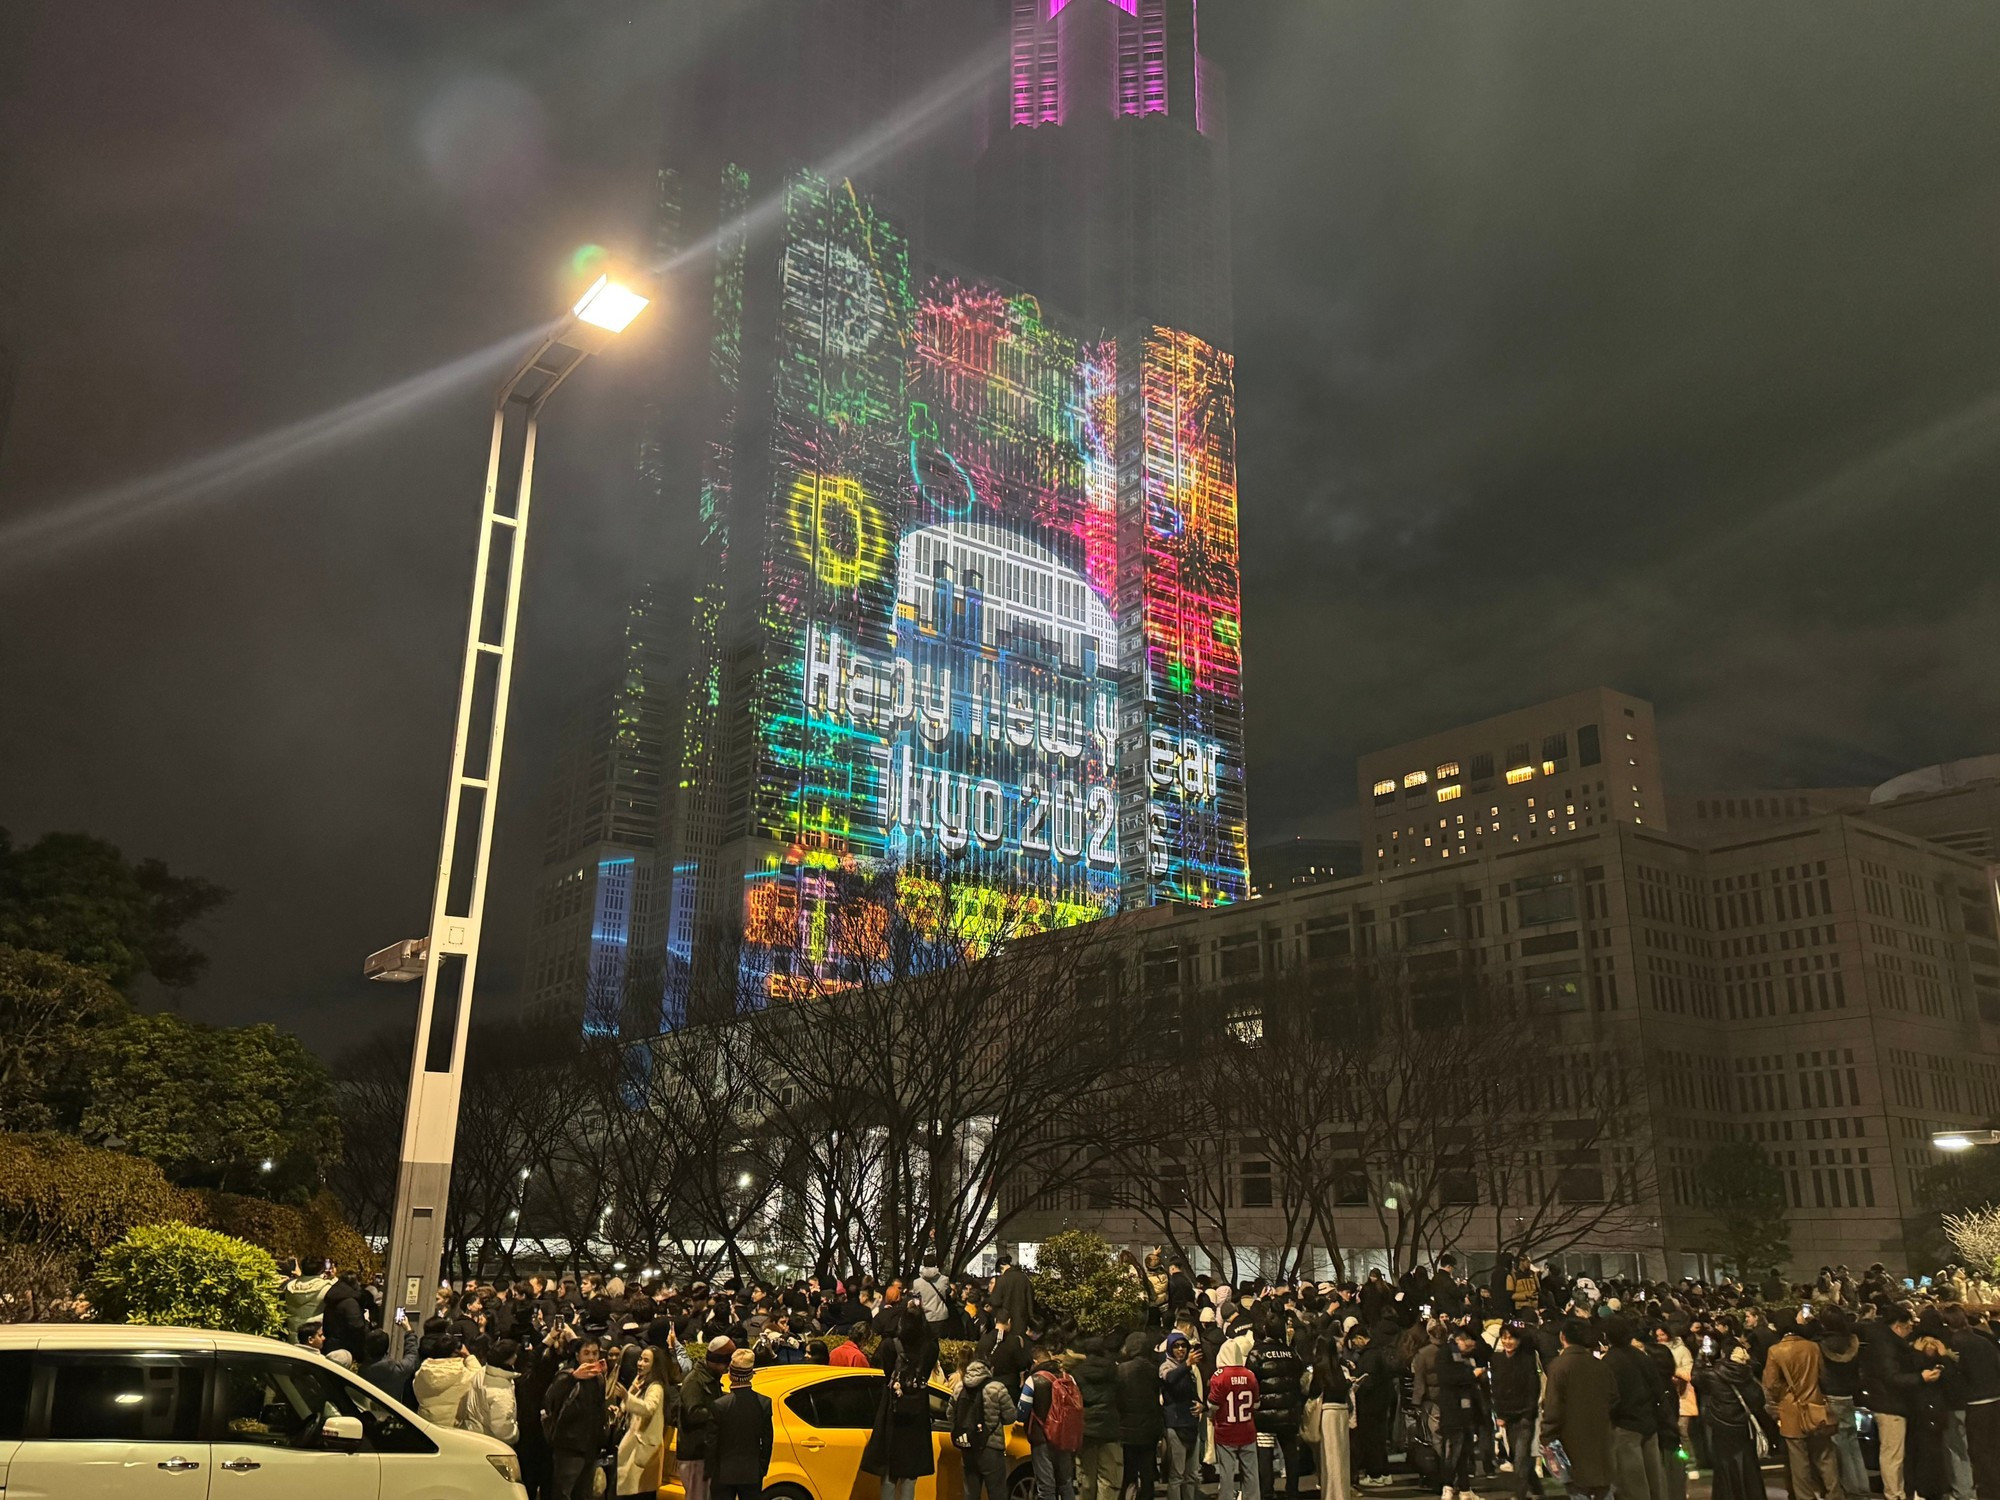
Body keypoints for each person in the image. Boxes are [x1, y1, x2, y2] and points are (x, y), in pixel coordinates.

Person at [1763, 1310, 1845, 1500]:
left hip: (1791, 1411)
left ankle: (1805, 1497)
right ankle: (1835, 1494)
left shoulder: (1775, 1351)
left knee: (1799, 1462)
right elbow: (1823, 1376)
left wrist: (1783, 1396)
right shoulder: (1813, 1347)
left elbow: (1771, 1384)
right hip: (1816, 1406)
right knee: (1825, 1457)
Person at [1542, 1319, 1616, 1500]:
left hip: (1571, 1437)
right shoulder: (1600, 1365)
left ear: (1562, 1337)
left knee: (1578, 1489)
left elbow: (1553, 1407)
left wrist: (1547, 1435)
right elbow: (1614, 1398)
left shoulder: (1559, 1366)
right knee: (1603, 1488)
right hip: (1601, 1435)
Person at [870, 1306, 939, 1500]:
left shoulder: (890, 1345)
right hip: (918, 1411)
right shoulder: (931, 1347)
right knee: (911, 1471)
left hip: (893, 1409)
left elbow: (887, 1373)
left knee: (889, 1470)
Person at [1695, 1345, 1772, 1500]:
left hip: (1721, 1425)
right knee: (1748, 1464)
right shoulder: (1746, 1375)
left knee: (1724, 1465)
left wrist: (1700, 1359)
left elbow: (1696, 1379)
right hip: (1743, 1426)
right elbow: (1758, 1400)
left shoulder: (1714, 1374)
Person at [1248, 1310, 1306, 1500]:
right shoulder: (1292, 1353)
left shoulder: (1256, 1353)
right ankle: (1293, 1492)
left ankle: (1267, 1493)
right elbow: (1300, 1377)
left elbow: (1250, 1382)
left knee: (1264, 1455)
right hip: (1289, 1412)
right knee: (1290, 1453)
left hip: (1264, 1415)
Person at [544, 1339, 611, 1500]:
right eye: (586, 1353)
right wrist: (573, 1377)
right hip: (569, 1447)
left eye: (595, 1353)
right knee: (563, 1493)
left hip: (590, 1448)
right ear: (577, 1356)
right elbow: (550, 1400)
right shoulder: (566, 1375)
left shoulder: (599, 1379)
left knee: (584, 1493)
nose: (591, 1358)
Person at [707, 1349, 774, 1500]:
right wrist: (762, 1468)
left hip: (723, 1472)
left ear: (730, 1374)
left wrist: (710, 1470)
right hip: (752, 1471)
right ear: (751, 1375)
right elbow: (768, 1440)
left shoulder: (719, 1405)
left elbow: (711, 1442)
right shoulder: (764, 1403)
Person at [1948, 1307, 2000, 1498]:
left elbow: (1958, 1378)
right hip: (1995, 1399)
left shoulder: (1955, 1345)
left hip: (1975, 1403)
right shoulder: (1983, 1340)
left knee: (1979, 1452)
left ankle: (1987, 1491)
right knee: (1994, 1449)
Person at [1818, 1307, 1869, 1500]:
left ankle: (1850, 1488)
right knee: (1852, 1442)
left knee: (1838, 1445)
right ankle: (1862, 1486)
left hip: (1831, 1396)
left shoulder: (1821, 1345)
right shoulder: (1852, 1342)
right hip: (1849, 1396)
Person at [1022, 1343, 1084, 1500]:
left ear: (1035, 1361)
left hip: (1042, 1439)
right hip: (1065, 1437)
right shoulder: (1068, 1378)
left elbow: (1021, 1413)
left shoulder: (1033, 1380)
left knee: (1046, 1487)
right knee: (1065, 1483)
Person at [1436, 1325, 1488, 1500]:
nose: (1471, 1349)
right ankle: (1448, 1486)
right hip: (1452, 1409)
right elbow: (1447, 1378)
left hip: (1467, 1410)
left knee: (1464, 1451)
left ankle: (1465, 1489)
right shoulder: (1446, 1354)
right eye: (1470, 1345)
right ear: (1461, 1340)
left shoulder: (1466, 1358)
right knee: (1453, 1450)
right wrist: (1472, 1375)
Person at [1209, 1334, 1263, 1500]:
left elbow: (1213, 1405)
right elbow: (1256, 1404)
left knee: (1227, 1473)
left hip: (1226, 1431)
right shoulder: (1250, 1375)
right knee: (1251, 1473)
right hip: (1247, 1430)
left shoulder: (1219, 1376)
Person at [613, 1346, 671, 1500]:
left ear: (655, 1365)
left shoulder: (656, 1387)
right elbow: (630, 1407)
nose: (640, 1363)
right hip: (633, 1446)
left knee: (640, 1493)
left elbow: (648, 1408)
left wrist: (627, 1397)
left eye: (646, 1360)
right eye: (640, 1359)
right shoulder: (639, 1382)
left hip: (643, 1450)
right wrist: (621, 1408)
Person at [956, 1352, 1016, 1500]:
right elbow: (1010, 1416)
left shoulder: (959, 1387)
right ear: (990, 1369)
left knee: (970, 1493)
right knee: (997, 1493)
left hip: (968, 1446)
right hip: (991, 1448)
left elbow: (951, 1415)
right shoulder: (997, 1388)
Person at [679, 1337, 733, 1500]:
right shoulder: (694, 1381)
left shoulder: (711, 1379)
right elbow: (692, 1413)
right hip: (695, 1454)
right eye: (725, 1363)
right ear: (716, 1361)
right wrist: (720, 1412)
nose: (727, 1368)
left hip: (706, 1453)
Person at [1074, 1335, 1126, 1500]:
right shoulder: (1113, 1370)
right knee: (1108, 1477)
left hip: (1086, 1429)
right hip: (1109, 1427)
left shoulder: (1077, 1372)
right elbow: (1121, 1397)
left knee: (1087, 1477)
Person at [1117, 1331, 1165, 1500]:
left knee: (1128, 1473)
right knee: (1147, 1472)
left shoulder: (1121, 1370)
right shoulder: (1153, 1370)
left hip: (1126, 1429)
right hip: (1149, 1429)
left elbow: (1118, 1399)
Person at [1159, 1332, 1204, 1500]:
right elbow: (1170, 1379)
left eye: (1183, 1346)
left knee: (1192, 1475)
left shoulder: (1190, 1369)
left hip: (1191, 1424)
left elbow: (1192, 1392)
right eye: (1176, 1346)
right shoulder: (1166, 1366)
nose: (1180, 1349)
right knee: (1176, 1475)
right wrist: (1186, 1364)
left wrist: (1202, 1405)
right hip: (1175, 1425)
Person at [459, 1337, 522, 1447]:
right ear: (511, 1359)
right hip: (491, 1443)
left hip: (473, 1432)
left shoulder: (482, 1372)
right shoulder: (501, 1393)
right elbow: (502, 1430)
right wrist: (515, 1433)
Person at [413, 1334, 481, 1427]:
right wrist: (468, 1356)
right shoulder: (461, 1374)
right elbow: (479, 1376)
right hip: (449, 1427)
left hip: (424, 1424)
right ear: (456, 1353)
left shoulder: (423, 1372)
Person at [319, 1268, 371, 1363]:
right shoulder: (350, 1302)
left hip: (331, 1343)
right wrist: (366, 1323)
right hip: (346, 1348)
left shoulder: (333, 1297)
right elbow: (357, 1328)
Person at [359, 1327, 419, 1406]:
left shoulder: (361, 1373)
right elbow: (412, 1355)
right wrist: (409, 1331)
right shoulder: (398, 1370)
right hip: (391, 1411)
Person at [283, 1257, 335, 1342]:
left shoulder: (289, 1287)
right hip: (316, 1338)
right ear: (322, 1269)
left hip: (292, 1335)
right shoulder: (326, 1288)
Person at [994, 1255, 1035, 1335]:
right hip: (1022, 1320)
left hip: (1005, 1321)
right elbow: (1030, 1300)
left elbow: (995, 1301)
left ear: (1001, 1267)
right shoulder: (1024, 1278)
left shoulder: (1002, 1280)